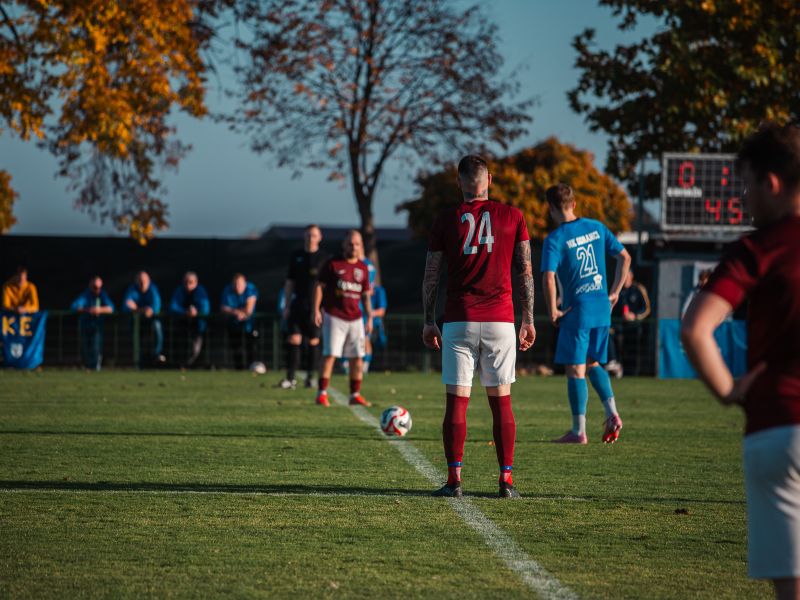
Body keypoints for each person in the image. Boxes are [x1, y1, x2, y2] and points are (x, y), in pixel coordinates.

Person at [681, 122, 800, 599]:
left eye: (746, 185)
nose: (744, 198)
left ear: (771, 183)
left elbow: (695, 328)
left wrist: (729, 391)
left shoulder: (758, 247)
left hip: (780, 425)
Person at [422, 155, 536, 499]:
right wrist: (528, 317)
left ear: (460, 182)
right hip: (501, 319)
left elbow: (431, 276)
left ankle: (454, 481)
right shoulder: (513, 216)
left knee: (457, 403)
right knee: (501, 402)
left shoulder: (446, 220)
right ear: (490, 180)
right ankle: (506, 481)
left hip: (460, 319)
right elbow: (525, 271)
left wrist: (428, 320)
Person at [541, 183, 631, 445]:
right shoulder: (597, 227)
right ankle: (612, 414)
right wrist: (614, 292)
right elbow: (625, 258)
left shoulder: (555, 239)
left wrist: (553, 311)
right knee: (593, 363)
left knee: (574, 369)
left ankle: (579, 431)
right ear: (574, 204)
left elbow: (548, 278)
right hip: (602, 307)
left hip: (577, 309)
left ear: (550, 208)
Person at [313, 230, 372, 408]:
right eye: (350, 244)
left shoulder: (363, 268)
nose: (353, 247)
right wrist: (316, 309)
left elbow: (366, 295)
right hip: (334, 316)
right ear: (344, 245)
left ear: (361, 246)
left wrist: (369, 317)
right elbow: (319, 286)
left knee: (358, 358)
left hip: (355, 319)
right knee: (330, 355)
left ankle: (355, 394)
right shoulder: (332, 263)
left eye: (356, 244)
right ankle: (321, 393)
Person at [277, 224, 328, 389]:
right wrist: (286, 305)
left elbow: (327, 285)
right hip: (297, 304)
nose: (310, 238)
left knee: (313, 341)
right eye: (308, 235)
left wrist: (322, 308)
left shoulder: (324, 258)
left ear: (319, 237)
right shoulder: (296, 256)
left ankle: (310, 377)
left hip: (315, 307)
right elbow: (290, 282)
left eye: (314, 235)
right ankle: (290, 378)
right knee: (294, 339)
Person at [606, 269, 651, 378]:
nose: (624, 277)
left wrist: (634, 316)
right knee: (607, 333)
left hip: (634, 326)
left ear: (631, 276)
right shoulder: (617, 290)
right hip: (619, 325)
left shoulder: (638, 289)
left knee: (632, 349)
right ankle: (613, 362)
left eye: (626, 275)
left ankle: (633, 372)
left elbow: (647, 309)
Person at [70, 276, 114, 370]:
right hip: (85, 326)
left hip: (97, 327)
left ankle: (95, 368)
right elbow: (74, 307)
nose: (97, 290)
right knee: (84, 348)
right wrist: (87, 310)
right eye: (95, 287)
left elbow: (111, 308)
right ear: (90, 285)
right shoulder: (85, 295)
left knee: (96, 347)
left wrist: (99, 310)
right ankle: (87, 367)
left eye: (99, 288)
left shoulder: (102, 294)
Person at [168, 271, 211, 367]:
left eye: (190, 282)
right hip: (182, 325)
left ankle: (190, 365)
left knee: (195, 349)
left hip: (197, 326)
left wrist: (196, 312)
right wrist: (185, 312)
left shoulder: (200, 292)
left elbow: (205, 308)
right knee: (180, 346)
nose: (188, 285)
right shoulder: (180, 291)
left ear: (196, 282)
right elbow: (173, 306)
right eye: (186, 282)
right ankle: (180, 365)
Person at [122, 271, 165, 365]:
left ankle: (157, 354)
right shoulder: (132, 289)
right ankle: (138, 358)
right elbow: (127, 306)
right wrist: (142, 310)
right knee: (135, 330)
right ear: (136, 281)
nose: (142, 283)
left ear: (149, 281)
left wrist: (137, 309)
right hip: (137, 321)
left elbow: (154, 308)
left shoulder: (153, 289)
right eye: (140, 281)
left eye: (144, 281)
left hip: (151, 320)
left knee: (157, 326)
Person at [221, 273, 258, 370]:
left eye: (240, 284)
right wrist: (236, 312)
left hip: (249, 325)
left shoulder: (250, 288)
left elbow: (249, 309)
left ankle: (252, 368)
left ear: (245, 284)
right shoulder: (228, 290)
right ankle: (239, 370)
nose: (238, 287)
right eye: (236, 284)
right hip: (234, 325)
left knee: (251, 347)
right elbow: (224, 308)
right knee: (237, 349)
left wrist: (240, 313)